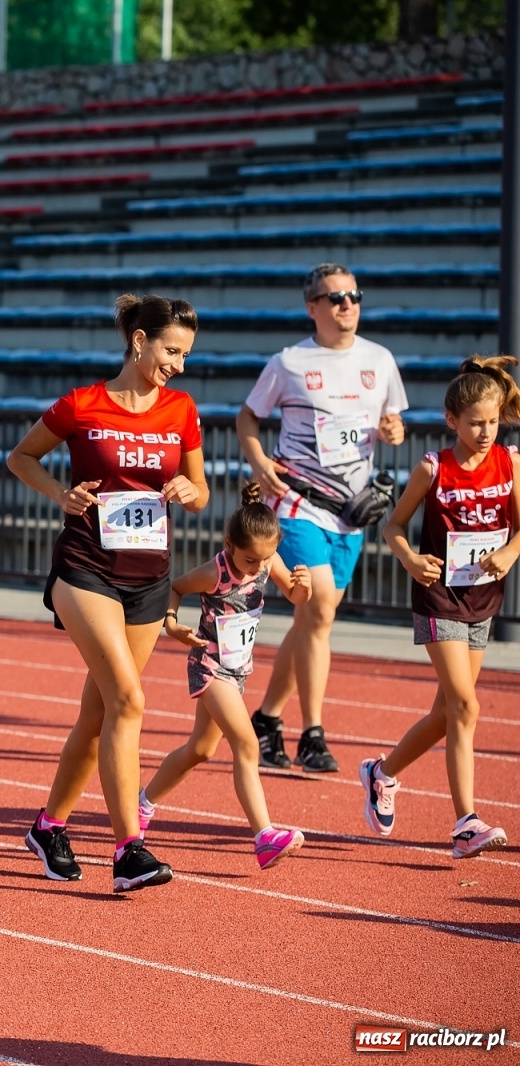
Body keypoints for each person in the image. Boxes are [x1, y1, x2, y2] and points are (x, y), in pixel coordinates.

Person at [6, 294, 208, 893]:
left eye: (187, 354)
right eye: (172, 350)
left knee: (99, 716)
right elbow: (22, 458)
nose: (179, 363)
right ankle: (129, 849)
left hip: (150, 576)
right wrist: (60, 494)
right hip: (85, 568)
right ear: (140, 341)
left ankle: (48, 825)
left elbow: (200, 489)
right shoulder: (82, 404)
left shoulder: (182, 409)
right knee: (129, 699)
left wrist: (185, 490)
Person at [238, 263, 407, 773]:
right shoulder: (289, 362)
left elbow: (391, 421)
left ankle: (266, 719)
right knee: (321, 611)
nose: (347, 305)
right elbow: (248, 417)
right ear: (312, 306)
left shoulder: (380, 359)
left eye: (354, 295)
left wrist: (392, 430)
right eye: (335, 298)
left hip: (351, 512)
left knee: (314, 616)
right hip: (297, 502)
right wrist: (260, 462)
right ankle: (313, 733)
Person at [364, 356, 520, 859]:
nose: (485, 431)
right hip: (437, 597)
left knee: (447, 713)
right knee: (467, 706)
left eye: (493, 422)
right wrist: (410, 559)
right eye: (475, 422)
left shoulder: (511, 462)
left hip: (482, 598)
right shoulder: (433, 468)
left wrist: (509, 552)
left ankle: (381, 773)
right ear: (452, 420)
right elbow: (393, 526)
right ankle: (465, 823)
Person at [142, 484, 312, 871]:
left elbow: (296, 597)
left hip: (238, 672)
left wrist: (306, 587)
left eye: (265, 559)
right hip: (209, 666)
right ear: (230, 545)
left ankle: (143, 802)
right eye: (251, 560)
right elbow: (175, 588)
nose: (258, 568)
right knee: (247, 744)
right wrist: (171, 624)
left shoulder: (267, 560)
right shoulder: (214, 573)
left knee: (200, 750)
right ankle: (264, 836)